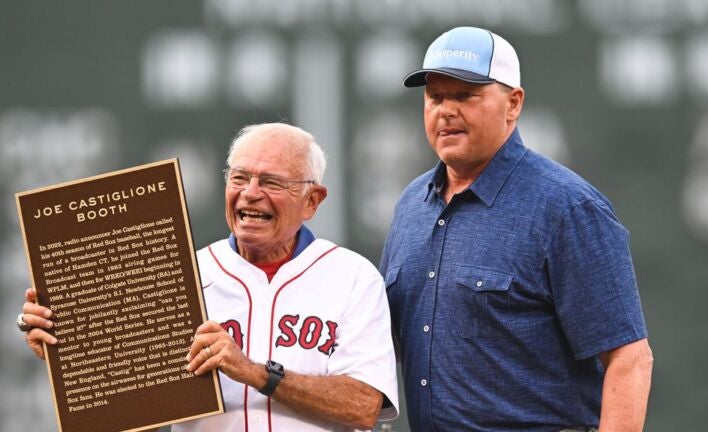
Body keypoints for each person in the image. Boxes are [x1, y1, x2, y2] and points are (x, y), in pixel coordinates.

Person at [20, 122, 399, 431]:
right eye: (239, 178)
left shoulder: (352, 277)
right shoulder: (178, 276)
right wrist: (75, 360)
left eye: (270, 182)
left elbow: (364, 406)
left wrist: (255, 373)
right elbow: (128, 417)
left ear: (312, 200)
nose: (250, 194)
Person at [380, 26, 653, 431]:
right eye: (435, 97)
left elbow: (629, 359)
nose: (446, 110)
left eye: (465, 95)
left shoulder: (567, 207)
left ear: (513, 103)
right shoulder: (411, 204)